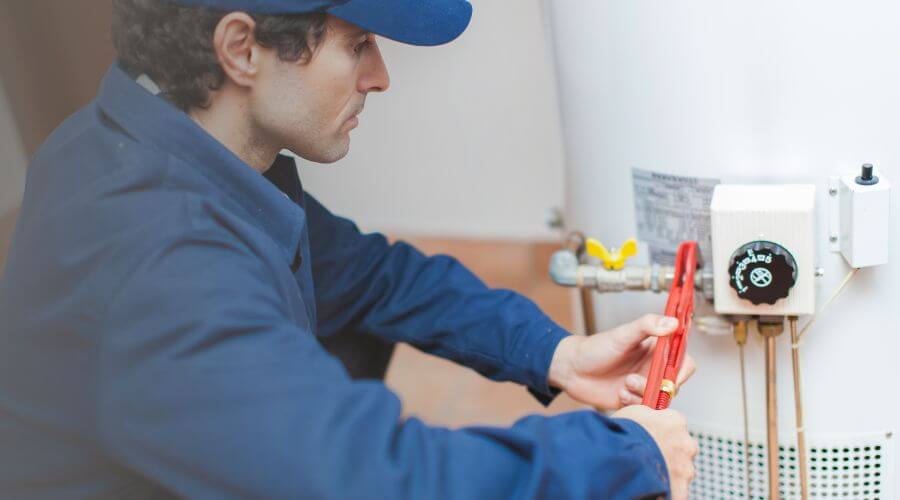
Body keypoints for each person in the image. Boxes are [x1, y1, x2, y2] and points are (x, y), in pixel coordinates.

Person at [0, 0, 698, 498]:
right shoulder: (161, 265)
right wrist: (623, 455)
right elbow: (374, 479)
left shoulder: (164, 144)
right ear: (242, 49)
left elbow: (374, 277)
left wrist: (555, 354)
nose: (380, 75)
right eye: (357, 41)